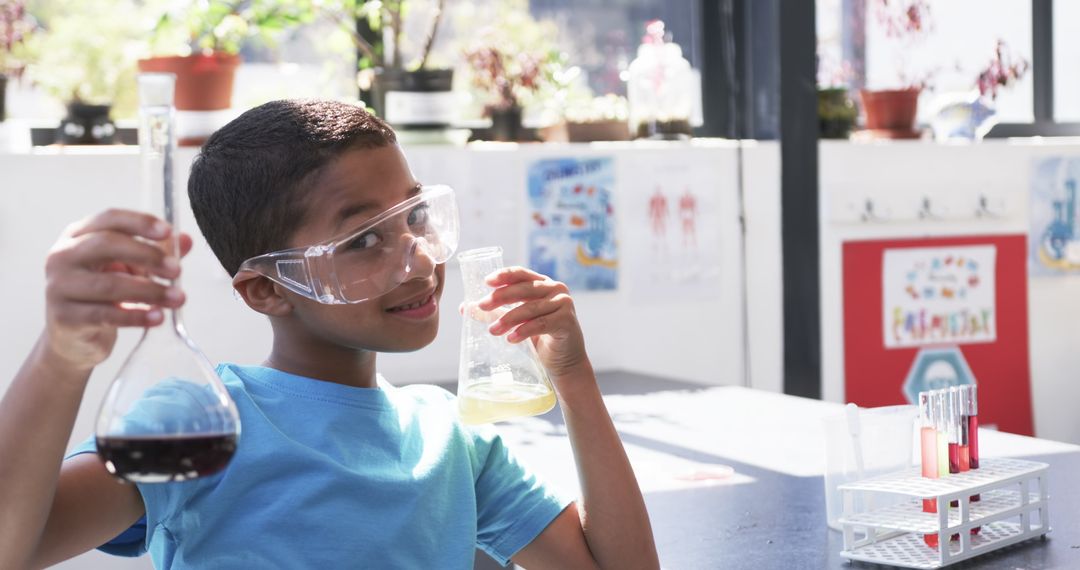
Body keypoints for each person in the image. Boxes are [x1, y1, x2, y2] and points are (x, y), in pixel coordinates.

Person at [0, 100, 658, 569]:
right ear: (267, 290)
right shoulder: (205, 422)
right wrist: (60, 359)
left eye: (416, 217)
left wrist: (573, 378)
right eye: (366, 237)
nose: (421, 260)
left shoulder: (452, 441)